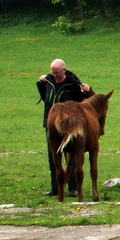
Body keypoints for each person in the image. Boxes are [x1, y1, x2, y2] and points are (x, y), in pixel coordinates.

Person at [37, 59, 92, 196]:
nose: (55, 75)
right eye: (53, 72)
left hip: (69, 125)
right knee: (53, 156)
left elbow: (82, 102)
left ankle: (73, 188)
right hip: (51, 125)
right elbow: (45, 96)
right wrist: (42, 80)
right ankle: (55, 188)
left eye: (57, 73)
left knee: (71, 156)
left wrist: (87, 91)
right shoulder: (48, 81)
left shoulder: (73, 84)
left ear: (64, 70)